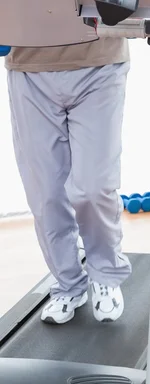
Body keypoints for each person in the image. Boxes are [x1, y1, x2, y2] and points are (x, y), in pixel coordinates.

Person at [6, 32, 131, 324]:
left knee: (94, 187)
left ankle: (105, 276)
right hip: (29, 68)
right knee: (45, 193)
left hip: (100, 63)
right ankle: (69, 285)